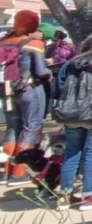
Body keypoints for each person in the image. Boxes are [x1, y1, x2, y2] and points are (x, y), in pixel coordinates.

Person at [54, 35, 92, 211]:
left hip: (70, 113)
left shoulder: (69, 64)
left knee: (71, 153)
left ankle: (65, 196)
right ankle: (88, 196)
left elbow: (56, 89)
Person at [2, 11, 50, 187]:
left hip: (6, 91)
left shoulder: (3, 41)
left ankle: (6, 172)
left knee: (12, 129)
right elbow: (41, 71)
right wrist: (50, 73)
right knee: (30, 129)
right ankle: (19, 173)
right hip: (29, 90)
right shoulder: (34, 43)